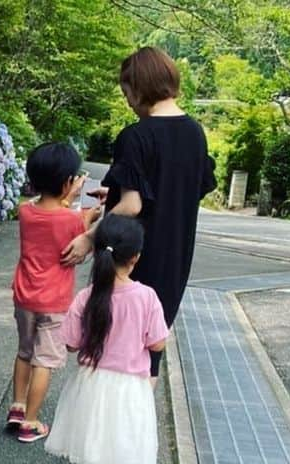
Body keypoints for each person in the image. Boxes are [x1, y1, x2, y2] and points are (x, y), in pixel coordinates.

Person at [62, 47, 216, 383]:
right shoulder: (195, 133)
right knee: (149, 353)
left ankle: (107, 428)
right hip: (176, 256)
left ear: (141, 86)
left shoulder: (136, 135)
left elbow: (133, 207)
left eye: (127, 92)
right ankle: (138, 430)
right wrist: (114, 192)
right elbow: (179, 187)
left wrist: (89, 238)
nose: (128, 101)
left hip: (133, 256)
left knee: (111, 352)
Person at [45, 215, 169, 464]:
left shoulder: (87, 296)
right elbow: (157, 341)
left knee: (94, 432)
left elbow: (71, 343)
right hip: (128, 385)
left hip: (91, 380)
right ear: (136, 257)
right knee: (118, 440)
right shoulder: (146, 297)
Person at [6, 142, 96, 443]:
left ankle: (17, 407)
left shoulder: (25, 211)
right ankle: (31, 423)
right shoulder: (71, 219)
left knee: (24, 351)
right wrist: (87, 211)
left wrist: (70, 198)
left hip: (25, 297)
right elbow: (78, 239)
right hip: (54, 302)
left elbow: (52, 215)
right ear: (67, 182)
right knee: (44, 360)